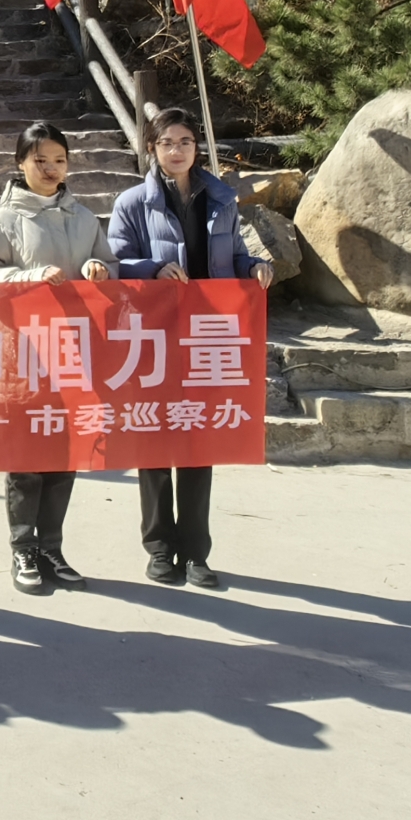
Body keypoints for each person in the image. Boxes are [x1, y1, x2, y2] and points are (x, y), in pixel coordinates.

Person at [107, 106, 275, 590]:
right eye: (166, 143)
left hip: (206, 335)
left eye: (184, 142)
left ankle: (196, 551)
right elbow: (115, 262)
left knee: (201, 441)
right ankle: (160, 548)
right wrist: (153, 270)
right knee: (155, 439)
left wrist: (253, 267)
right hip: (154, 338)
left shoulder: (220, 198)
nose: (176, 151)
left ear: (196, 147)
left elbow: (234, 255)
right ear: (152, 149)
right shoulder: (132, 203)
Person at [0, 120, 116, 596]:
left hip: (75, 351)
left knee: (65, 456)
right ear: (20, 163)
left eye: (59, 160)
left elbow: (111, 269)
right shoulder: (3, 219)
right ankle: (23, 548)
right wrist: (26, 276)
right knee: (27, 457)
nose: (51, 169)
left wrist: (98, 268)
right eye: (40, 160)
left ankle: (52, 546)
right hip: (24, 353)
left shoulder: (85, 217)